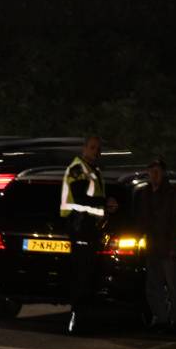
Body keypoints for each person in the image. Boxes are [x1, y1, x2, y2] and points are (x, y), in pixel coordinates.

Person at [60, 135, 106, 334]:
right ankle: (76, 319)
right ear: (84, 148)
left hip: (89, 228)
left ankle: (83, 318)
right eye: (93, 147)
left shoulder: (93, 170)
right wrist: (105, 204)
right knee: (81, 275)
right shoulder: (78, 169)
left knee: (87, 275)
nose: (96, 152)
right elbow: (80, 198)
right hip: (79, 226)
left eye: (98, 148)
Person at [137, 158, 176, 333]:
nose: (154, 174)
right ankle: (161, 319)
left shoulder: (173, 193)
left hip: (168, 248)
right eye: (151, 171)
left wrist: (175, 247)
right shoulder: (145, 193)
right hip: (152, 247)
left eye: (157, 171)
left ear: (164, 172)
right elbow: (142, 220)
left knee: (174, 287)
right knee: (154, 287)